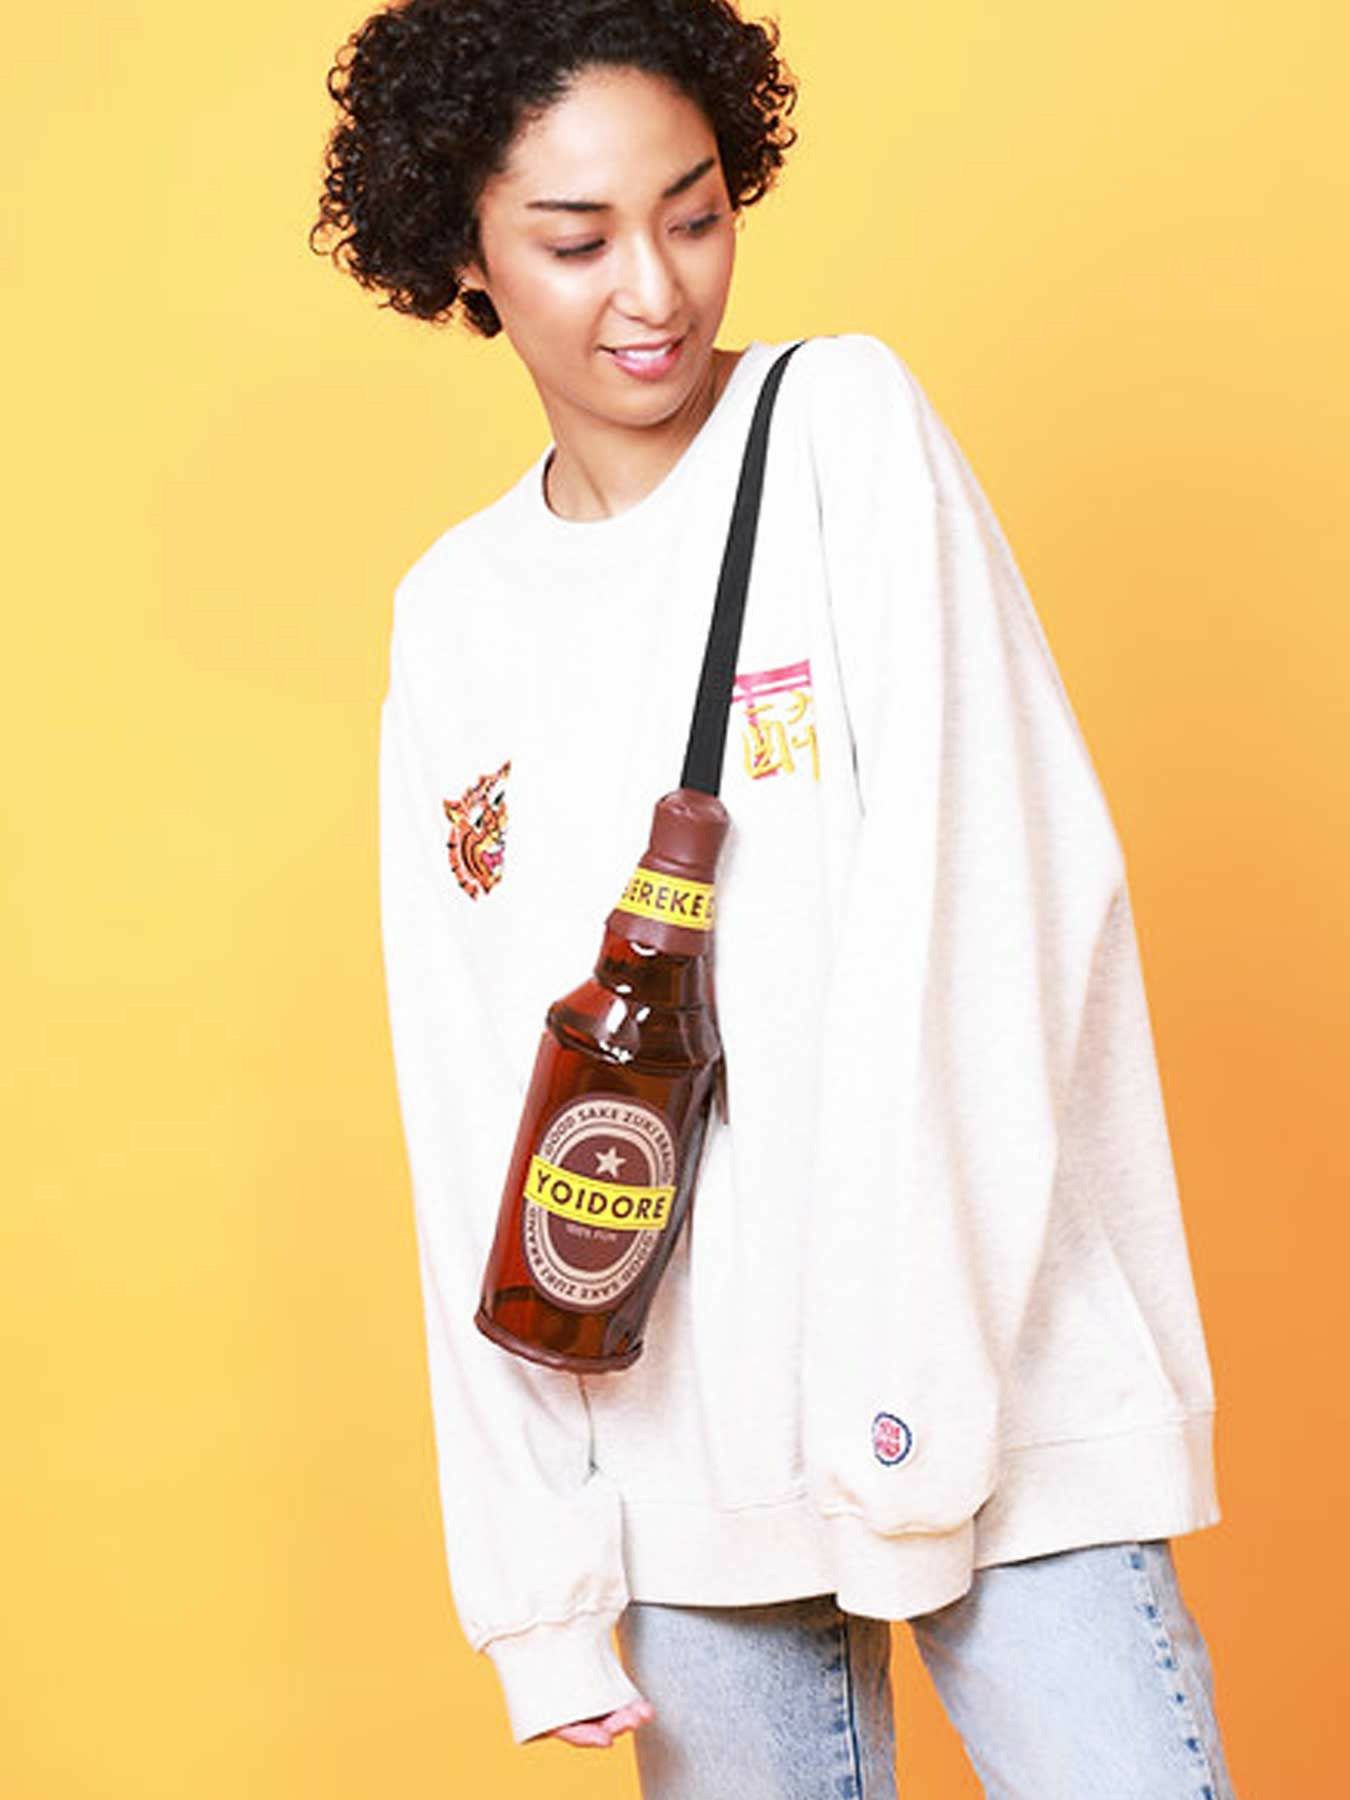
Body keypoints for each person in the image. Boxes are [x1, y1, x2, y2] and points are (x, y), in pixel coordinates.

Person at [310, 2, 1239, 1793]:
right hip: (679, 1451)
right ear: (464, 255)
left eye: (694, 213)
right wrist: (537, 1577)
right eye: (575, 241)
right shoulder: (457, 613)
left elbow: (994, 920)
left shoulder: (842, 434)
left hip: (994, 1391)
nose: (653, 290)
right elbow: (475, 1096)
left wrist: (908, 1396)